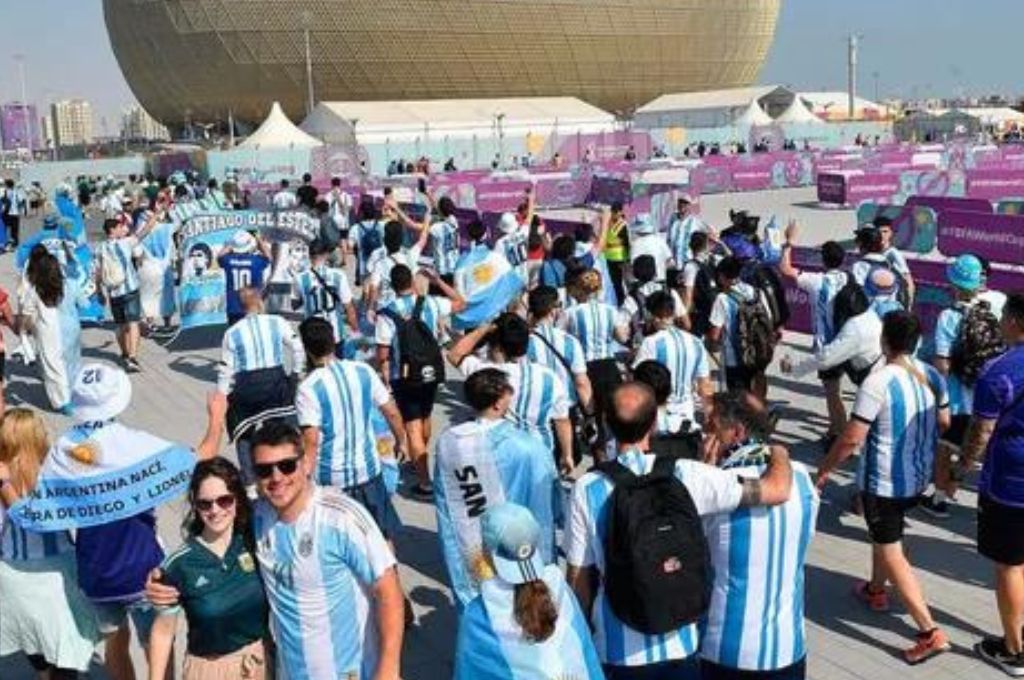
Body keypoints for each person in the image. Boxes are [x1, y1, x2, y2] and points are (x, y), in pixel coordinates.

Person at [564, 382, 794, 679]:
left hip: (616, 647)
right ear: (655, 423)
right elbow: (775, 490)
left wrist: (578, 638)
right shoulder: (688, 474)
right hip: (680, 642)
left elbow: (579, 577)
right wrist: (779, 452)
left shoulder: (587, 488)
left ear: (607, 423)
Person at [162, 420, 404, 680]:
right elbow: (215, 517)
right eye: (265, 470)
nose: (277, 477)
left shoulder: (341, 517)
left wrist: (388, 669)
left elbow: (388, 589)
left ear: (306, 463)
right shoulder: (258, 517)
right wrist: (161, 579)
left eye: (286, 465)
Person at [817, 311, 952, 665]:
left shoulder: (877, 382)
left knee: (891, 548)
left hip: (884, 483)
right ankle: (876, 590)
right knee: (885, 536)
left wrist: (823, 471)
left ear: (883, 341)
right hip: (917, 479)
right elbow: (945, 421)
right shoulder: (933, 375)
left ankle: (928, 631)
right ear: (918, 341)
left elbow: (851, 439)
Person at [699, 392, 819, 680]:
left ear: (737, 432)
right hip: (788, 648)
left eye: (711, 428)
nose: (704, 436)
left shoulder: (716, 486)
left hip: (724, 650)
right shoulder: (803, 479)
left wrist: (704, 471)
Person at [945, 292, 1024, 675]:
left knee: (1010, 565)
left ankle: (1015, 650)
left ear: (1013, 322)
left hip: (1011, 482)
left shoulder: (1000, 370)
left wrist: (960, 469)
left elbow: (980, 432)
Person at [434, 369, 559, 608]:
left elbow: (445, 507)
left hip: (476, 546)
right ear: (499, 402)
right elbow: (548, 503)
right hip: (520, 547)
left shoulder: (450, 442)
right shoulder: (529, 447)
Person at [0, 408, 101, 680]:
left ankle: (43, 672)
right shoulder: (56, 472)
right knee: (67, 644)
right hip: (58, 573)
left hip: (11, 572)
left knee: (26, 632)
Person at [147, 458, 270, 680]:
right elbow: (163, 633)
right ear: (195, 505)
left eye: (224, 500)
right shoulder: (179, 565)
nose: (215, 510)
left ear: (237, 500)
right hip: (209, 671)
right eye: (205, 503)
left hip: (261, 664)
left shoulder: (255, 539)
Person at [453, 503, 604, 680]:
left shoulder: (480, 613)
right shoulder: (560, 588)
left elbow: (469, 673)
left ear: (487, 553)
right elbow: (586, 654)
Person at [296, 317, 407, 539]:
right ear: (333, 340)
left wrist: (303, 478)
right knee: (382, 536)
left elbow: (311, 440)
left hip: (332, 479)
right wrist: (401, 440)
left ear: (306, 349)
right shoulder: (362, 371)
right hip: (368, 471)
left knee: (343, 542)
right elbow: (391, 411)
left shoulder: (308, 388)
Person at [927, 254, 1006, 518]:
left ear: (954, 283)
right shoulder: (992, 308)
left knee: (943, 449)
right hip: (985, 397)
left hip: (955, 398)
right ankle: (952, 490)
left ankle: (939, 500)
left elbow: (942, 364)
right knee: (971, 449)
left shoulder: (948, 316)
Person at [376, 264, 465, 499]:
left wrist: (384, 377)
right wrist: (438, 281)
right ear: (412, 283)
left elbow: (383, 354)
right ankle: (421, 457)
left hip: (404, 376)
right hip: (432, 371)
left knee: (412, 426)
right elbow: (460, 303)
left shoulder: (387, 314)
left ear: (392, 286)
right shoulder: (431, 303)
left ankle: (425, 482)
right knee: (425, 416)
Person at [448, 313, 574, 474]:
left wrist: (484, 328)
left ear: (498, 347)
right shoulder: (550, 377)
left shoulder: (488, 374)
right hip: (541, 452)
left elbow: (454, 354)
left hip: (501, 453)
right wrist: (567, 454)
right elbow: (562, 420)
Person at [218, 287, 305, 482]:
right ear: (260, 302)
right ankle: (288, 465)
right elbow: (298, 349)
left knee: (242, 428)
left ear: (242, 307)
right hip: (274, 383)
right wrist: (296, 375)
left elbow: (225, 370)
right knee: (283, 427)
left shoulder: (232, 333)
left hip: (247, 387)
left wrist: (221, 398)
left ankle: (249, 479)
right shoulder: (277, 322)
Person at [778, 222, 853, 445]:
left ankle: (840, 434)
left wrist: (788, 243)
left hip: (827, 345)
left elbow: (785, 269)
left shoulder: (818, 281)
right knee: (836, 389)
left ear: (823, 260)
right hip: (848, 340)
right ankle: (834, 427)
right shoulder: (849, 278)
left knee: (832, 393)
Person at [564, 268, 630, 457]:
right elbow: (621, 337)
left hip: (584, 367)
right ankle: (618, 454)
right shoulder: (610, 310)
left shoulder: (571, 313)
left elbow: (561, 340)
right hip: (608, 366)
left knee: (591, 416)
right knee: (612, 413)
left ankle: (599, 457)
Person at [633, 290, 713, 426]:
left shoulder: (650, 343)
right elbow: (705, 385)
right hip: (687, 411)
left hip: (660, 413)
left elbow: (640, 382)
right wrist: (709, 416)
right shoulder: (696, 342)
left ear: (652, 315)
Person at [97, 207, 163, 372]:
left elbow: (97, 272)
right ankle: (132, 357)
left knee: (120, 326)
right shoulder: (125, 243)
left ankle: (125, 354)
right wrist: (156, 213)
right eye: (120, 227)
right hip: (130, 289)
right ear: (112, 230)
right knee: (133, 323)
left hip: (113, 292)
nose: (123, 229)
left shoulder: (100, 248)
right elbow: (146, 230)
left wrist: (99, 291)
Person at [707, 255, 773, 396]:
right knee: (755, 387)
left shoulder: (722, 298)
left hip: (734, 357)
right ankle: (759, 413)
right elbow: (769, 318)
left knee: (737, 396)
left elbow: (714, 334)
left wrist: (710, 346)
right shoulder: (756, 293)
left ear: (722, 276)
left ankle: (745, 416)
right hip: (757, 351)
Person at [17, 247, 72, 413]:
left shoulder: (35, 290)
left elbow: (26, 313)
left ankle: (62, 401)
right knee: (64, 362)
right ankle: (70, 394)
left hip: (46, 331)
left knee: (51, 365)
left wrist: (22, 329)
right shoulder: (62, 287)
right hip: (66, 327)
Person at [291, 239, 358, 351]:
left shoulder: (299, 278)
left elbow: (294, 304)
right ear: (326, 254)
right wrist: (355, 330)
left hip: (312, 332)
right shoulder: (338, 275)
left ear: (309, 255)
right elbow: (349, 307)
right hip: (334, 331)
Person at [365, 216, 430, 314]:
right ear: (401, 240)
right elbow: (423, 240)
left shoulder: (379, 264)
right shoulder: (409, 256)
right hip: (406, 308)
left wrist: (370, 309)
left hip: (386, 309)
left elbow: (373, 288)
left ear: (385, 240)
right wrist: (427, 221)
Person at [218, 230, 272, 326]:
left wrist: (230, 245)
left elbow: (219, 256)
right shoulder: (256, 261)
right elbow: (268, 256)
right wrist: (258, 238)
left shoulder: (228, 261)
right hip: (253, 307)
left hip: (233, 308)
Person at [679, 231, 719, 338]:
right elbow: (731, 256)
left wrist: (684, 317)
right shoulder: (712, 261)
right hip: (714, 311)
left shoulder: (691, 267)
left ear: (690, 246)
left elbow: (688, 294)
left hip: (699, 314)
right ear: (706, 245)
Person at [349, 200, 385, 287]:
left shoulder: (355, 228)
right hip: (380, 262)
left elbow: (349, 246)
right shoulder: (381, 225)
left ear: (361, 213)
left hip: (364, 263)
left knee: (366, 287)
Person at [629, 214, 672, 284]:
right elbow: (669, 260)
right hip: (660, 280)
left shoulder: (635, 244)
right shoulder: (660, 241)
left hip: (641, 283)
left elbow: (632, 264)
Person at [602, 201, 630, 305]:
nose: (613, 213)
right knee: (616, 284)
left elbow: (628, 243)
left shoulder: (623, 225)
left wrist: (628, 259)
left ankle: (630, 304)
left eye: (616, 211)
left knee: (627, 283)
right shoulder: (609, 223)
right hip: (610, 258)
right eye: (612, 211)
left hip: (621, 258)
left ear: (620, 212)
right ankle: (620, 303)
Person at [429, 195, 461, 286]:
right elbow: (439, 212)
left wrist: (428, 217)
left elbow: (418, 227)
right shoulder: (453, 220)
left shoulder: (436, 228)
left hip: (442, 270)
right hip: (454, 266)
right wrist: (428, 195)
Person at [667, 197, 705, 266]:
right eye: (680, 202)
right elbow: (668, 239)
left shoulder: (695, 221)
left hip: (688, 261)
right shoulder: (673, 219)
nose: (682, 205)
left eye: (685, 203)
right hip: (674, 262)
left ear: (689, 206)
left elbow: (708, 234)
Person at [325, 177, 352, 265]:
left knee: (330, 241)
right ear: (340, 184)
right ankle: (344, 260)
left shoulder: (328, 195)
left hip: (332, 222)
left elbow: (325, 208)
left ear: (331, 184)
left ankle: (331, 260)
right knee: (343, 240)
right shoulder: (346, 195)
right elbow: (349, 209)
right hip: (343, 222)